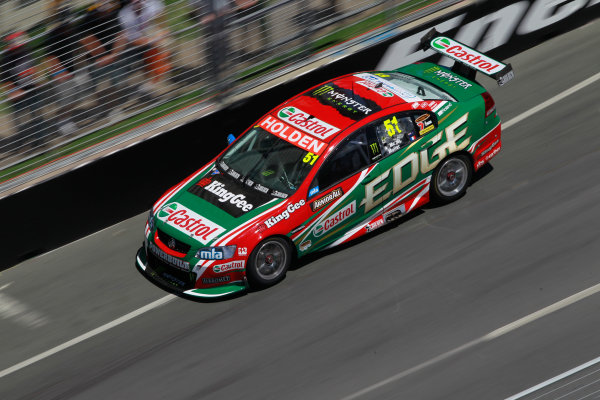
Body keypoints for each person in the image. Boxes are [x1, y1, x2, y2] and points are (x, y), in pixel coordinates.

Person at [0, 31, 48, 152]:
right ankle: (22, 143)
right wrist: (14, 91)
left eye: (22, 46)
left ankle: (40, 139)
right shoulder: (6, 59)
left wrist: (37, 79)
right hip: (17, 91)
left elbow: (34, 67)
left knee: (37, 113)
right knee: (20, 118)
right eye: (18, 47)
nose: (20, 49)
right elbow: (5, 79)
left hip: (30, 87)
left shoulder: (27, 51)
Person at [78, 0, 128, 115]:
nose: (106, 10)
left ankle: (117, 106)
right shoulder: (85, 22)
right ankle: (112, 111)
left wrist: (113, 54)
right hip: (95, 61)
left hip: (114, 56)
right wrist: (107, 57)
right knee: (102, 73)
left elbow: (122, 36)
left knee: (117, 71)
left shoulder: (111, 16)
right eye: (102, 8)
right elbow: (90, 43)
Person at [118, 0, 172, 99]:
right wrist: (152, 40)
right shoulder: (124, 14)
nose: (137, 1)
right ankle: (155, 82)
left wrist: (160, 35)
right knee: (159, 51)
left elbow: (162, 23)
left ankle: (153, 83)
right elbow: (132, 39)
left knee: (164, 48)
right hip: (135, 42)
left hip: (153, 35)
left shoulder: (152, 3)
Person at [43, 2, 80, 136]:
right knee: (67, 100)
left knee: (75, 98)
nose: (69, 25)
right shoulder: (54, 35)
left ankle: (65, 118)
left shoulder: (73, 31)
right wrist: (59, 73)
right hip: (60, 73)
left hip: (72, 70)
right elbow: (48, 57)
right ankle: (63, 122)